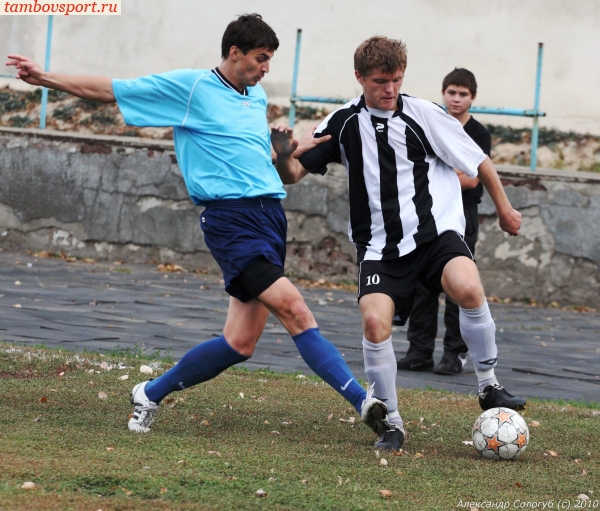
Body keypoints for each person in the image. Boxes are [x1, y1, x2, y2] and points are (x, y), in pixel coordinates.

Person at [6, 14, 391, 438]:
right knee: (295, 309)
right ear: (234, 52)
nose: (266, 69)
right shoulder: (191, 87)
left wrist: (284, 149)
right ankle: (363, 401)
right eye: (260, 59)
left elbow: (258, 159)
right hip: (231, 222)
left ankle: (149, 393)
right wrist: (45, 79)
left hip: (270, 218)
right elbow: (113, 90)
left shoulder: (255, 97)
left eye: (270, 60)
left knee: (239, 344)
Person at [272, 36, 526, 452]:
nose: (389, 89)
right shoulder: (341, 122)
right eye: (379, 81)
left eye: (396, 80)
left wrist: (505, 209)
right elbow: (292, 174)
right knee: (374, 323)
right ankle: (391, 421)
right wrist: (282, 153)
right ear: (359, 78)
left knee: (467, 287)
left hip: (434, 234)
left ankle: (488, 386)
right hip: (379, 246)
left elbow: (478, 159)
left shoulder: (425, 115)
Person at [396, 68, 491, 375]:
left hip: (461, 219)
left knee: (458, 288)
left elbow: (472, 179)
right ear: (443, 93)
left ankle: (454, 353)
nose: (456, 99)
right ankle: (420, 350)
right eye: (451, 92)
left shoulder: (478, 134)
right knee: (422, 285)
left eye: (463, 94)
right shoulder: (432, 124)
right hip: (428, 217)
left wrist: (438, 175)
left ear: (473, 98)